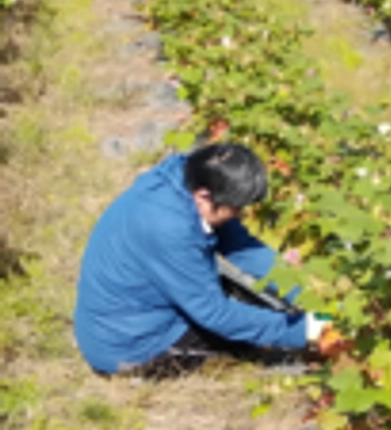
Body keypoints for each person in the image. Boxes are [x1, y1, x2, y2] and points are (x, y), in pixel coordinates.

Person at [74, 143, 328, 377]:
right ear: (205, 197)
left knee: (260, 311)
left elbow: (241, 247)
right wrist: (309, 331)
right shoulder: (169, 228)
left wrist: (307, 292)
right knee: (260, 344)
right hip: (131, 348)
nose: (239, 215)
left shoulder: (185, 178)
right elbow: (215, 314)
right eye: (236, 209)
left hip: (129, 315)